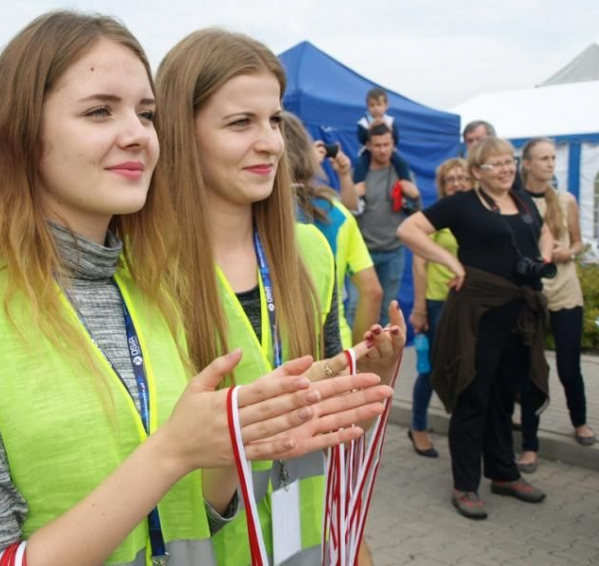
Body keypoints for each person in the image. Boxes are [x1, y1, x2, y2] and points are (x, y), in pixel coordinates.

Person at [0, 13, 394, 566]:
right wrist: (172, 453)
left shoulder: (151, 289)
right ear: (23, 136)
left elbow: (193, 526)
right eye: (100, 111)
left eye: (146, 114)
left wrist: (241, 437)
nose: (137, 134)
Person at [154, 29, 405, 566]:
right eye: (241, 122)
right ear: (180, 132)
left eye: (273, 119)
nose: (270, 141)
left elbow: (328, 422)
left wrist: (371, 383)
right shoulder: (143, 273)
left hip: (309, 540)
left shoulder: (311, 250)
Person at [397, 136, 552, 520]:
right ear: (477, 171)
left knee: (504, 397)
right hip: (478, 315)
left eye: (508, 161)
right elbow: (410, 230)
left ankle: (503, 474)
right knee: (473, 396)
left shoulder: (522, 200)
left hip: (519, 315)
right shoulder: (462, 204)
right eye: (495, 164)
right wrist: (450, 262)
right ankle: (465, 484)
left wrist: (545, 256)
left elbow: (544, 231)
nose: (505, 169)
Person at [517, 137, 595, 473]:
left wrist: (570, 252)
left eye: (552, 157)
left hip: (565, 291)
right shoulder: (515, 203)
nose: (550, 163)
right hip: (531, 295)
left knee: (568, 364)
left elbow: (579, 241)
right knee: (531, 369)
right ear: (528, 164)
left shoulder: (565, 200)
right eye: (543, 158)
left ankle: (579, 421)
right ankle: (530, 445)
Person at [283, 111, 383, 348]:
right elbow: (372, 291)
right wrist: (359, 354)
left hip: (271, 358)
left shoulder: (244, 212)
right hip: (334, 351)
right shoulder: (337, 213)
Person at [407, 158, 472, 458]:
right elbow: (419, 265)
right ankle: (418, 426)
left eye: (463, 178)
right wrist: (419, 308)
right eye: (451, 179)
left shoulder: (476, 214)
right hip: (437, 303)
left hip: (469, 305)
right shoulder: (435, 218)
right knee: (431, 369)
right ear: (443, 186)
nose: (458, 183)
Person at [341, 122, 421, 325]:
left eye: (387, 144)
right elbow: (344, 212)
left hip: (393, 250)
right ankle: (354, 355)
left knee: (388, 309)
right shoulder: (359, 172)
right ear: (368, 145)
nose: (383, 150)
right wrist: (352, 195)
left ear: (393, 144)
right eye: (378, 145)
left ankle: (385, 355)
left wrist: (416, 196)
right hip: (362, 251)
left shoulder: (402, 172)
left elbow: (416, 213)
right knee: (355, 307)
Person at [352, 88, 411, 187]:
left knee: (401, 163)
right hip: (368, 152)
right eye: (372, 105)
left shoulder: (390, 121)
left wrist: (388, 129)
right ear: (367, 107)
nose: (376, 108)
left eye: (379, 104)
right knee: (359, 165)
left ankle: (406, 184)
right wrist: (370, 129)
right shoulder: (363, 122)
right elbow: (362, 140)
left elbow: (396, 138)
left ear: (386, 106)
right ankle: (359, 190)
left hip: (388, 152)